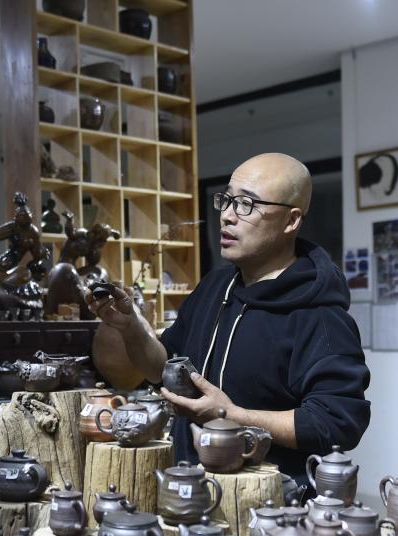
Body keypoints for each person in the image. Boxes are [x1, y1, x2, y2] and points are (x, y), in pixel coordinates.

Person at [88, 153, 370, 483]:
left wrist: (232, 416)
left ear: (291, 221)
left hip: (271, 502)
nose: (227, 215)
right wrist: (131, 327)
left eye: (246, 204)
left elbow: (337, 423)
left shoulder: (319, 316)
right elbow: (162, 371)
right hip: (191, 487)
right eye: (226, 200)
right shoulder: (216, 286)